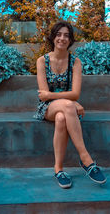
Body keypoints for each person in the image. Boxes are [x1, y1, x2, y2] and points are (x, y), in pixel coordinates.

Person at [34, 21, 106, 189]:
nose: (62, 38)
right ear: (52, 38)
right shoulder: (41, 61)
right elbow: (44, 97)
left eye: (66, 35)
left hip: (64, 108)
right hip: (47, 108)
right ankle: (86, 158)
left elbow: (75, 94)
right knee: (67, 107)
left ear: (71, 40)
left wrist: (69, 101)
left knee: (61, 118)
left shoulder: (75, 62)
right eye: (58, 34)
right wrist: (71, 103)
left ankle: (58, 169)